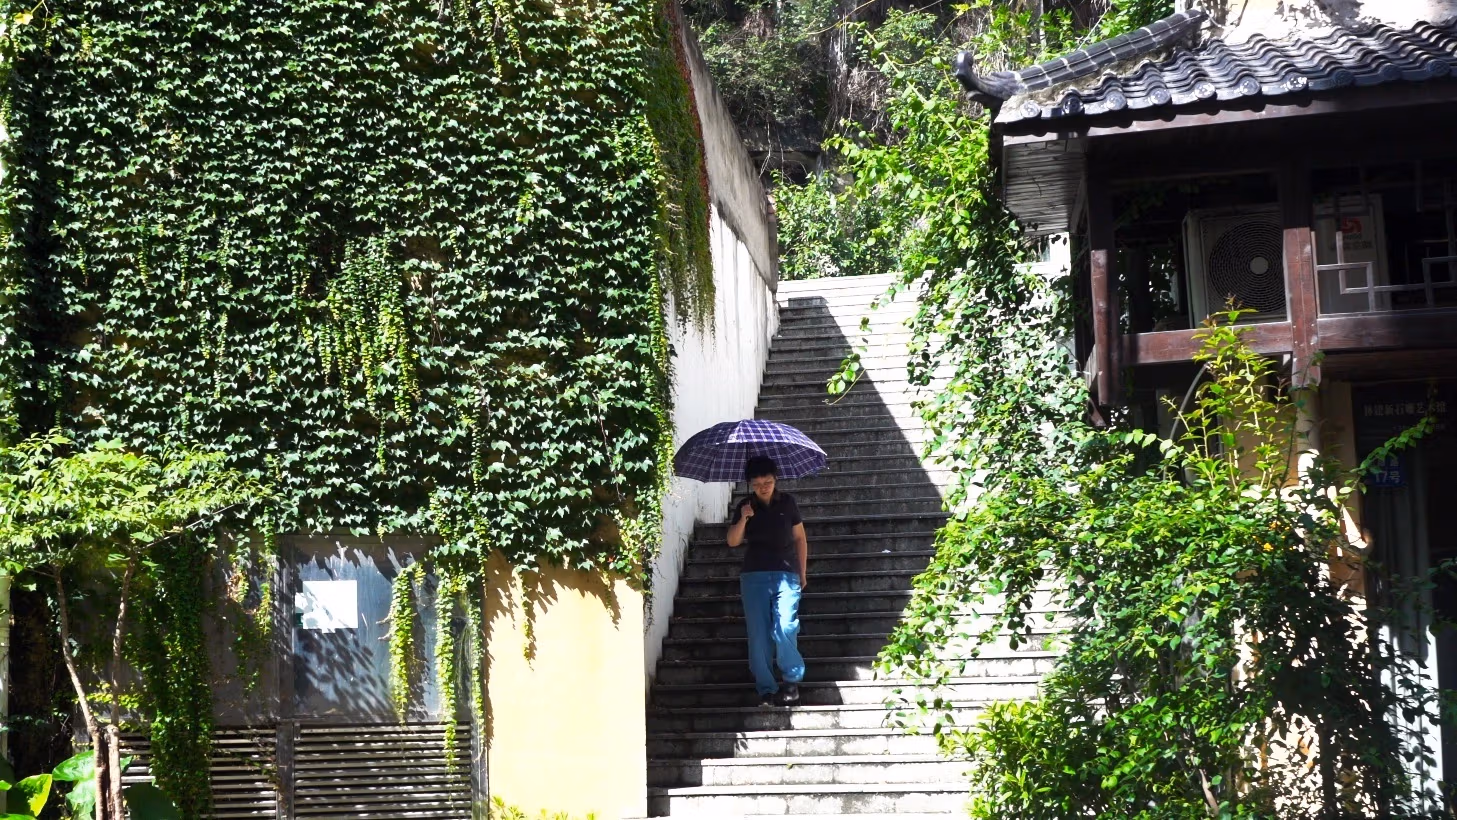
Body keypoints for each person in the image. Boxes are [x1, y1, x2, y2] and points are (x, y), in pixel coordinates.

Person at [726, 455, 808, 706]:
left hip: (786, 575)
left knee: (785, 627)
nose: (764, 486)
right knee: (759, 635)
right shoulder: (745, 505)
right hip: (754, 576)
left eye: (768, 481)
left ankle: (792, 681)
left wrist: (802, 573)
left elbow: (800, 539)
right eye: (758, 482)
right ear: (750, 483)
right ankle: (766, 689)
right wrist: (744, 518)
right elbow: (732, 541)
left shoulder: (788, 503)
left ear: (776, 480)